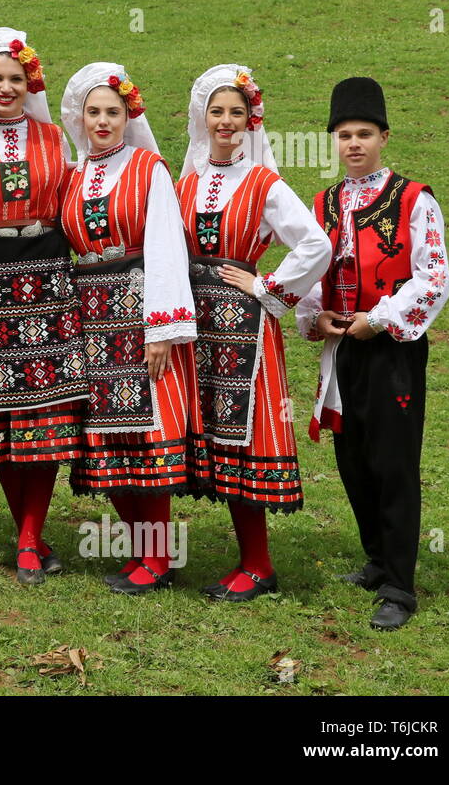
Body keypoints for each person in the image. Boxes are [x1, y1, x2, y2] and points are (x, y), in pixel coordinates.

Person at [296, 77, 449, 630]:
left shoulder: (415, 198)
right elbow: (313, 268)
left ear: (384, 137)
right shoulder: (325, 202)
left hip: (392, 348)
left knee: (392, 461)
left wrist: (379, 318)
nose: (354, 143)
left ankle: (401, 586)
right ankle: (377, 559)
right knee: (353, 457)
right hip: (342, 346)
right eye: (344, 135)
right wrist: (316, 315)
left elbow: (433, 278)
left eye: (364, 133)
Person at [175, 64, 330, 600]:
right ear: (203, 116)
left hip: (245, 328)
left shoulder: (265, 182)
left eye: (236, 112)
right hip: (196, 325)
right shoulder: (187, 180)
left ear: (251, 120)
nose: (225, 121)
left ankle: (258, 565)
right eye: (217, 111)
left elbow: (317, 245)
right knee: (212, 433)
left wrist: (268, 285)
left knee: (243, 438)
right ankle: (237, 558)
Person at [58, 62, 199, 594]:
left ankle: (158, 558)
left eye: (112, 112)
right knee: (105, 433)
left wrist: (160, 327)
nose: (101, 121)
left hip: (136, 304)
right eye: (93, 112)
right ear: (80, 117)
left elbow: (166, 244)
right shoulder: (74, 174)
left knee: (145, 434)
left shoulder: (148, 168)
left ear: (127, 115)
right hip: (88, 311)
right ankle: (139, 549)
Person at [0, 28, 86, 585]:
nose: (6, 87)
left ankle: (31, 536)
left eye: (15, 78)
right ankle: (26, 532)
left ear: (29, 82)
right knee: (4, 411)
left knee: (46, 409)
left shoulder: (56, 137)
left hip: (48, 272)